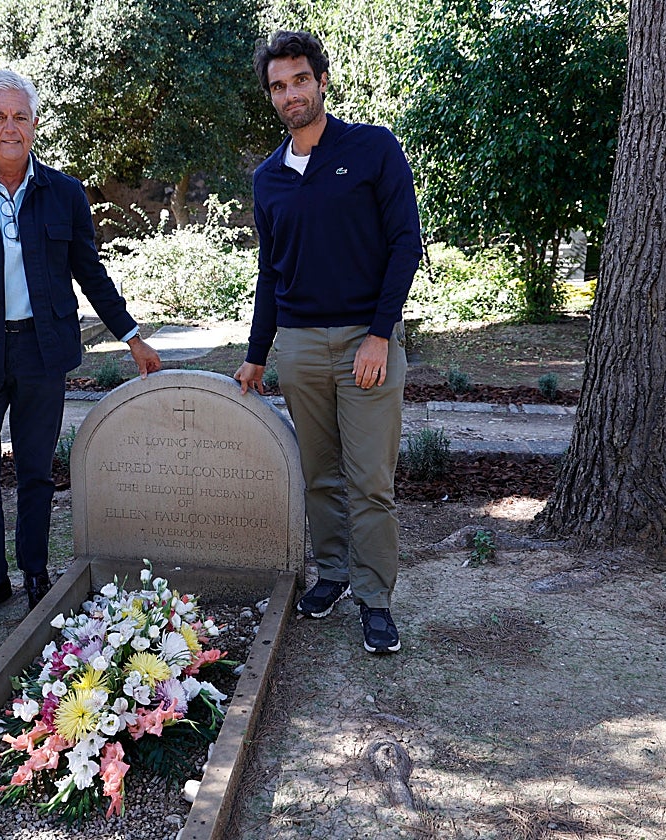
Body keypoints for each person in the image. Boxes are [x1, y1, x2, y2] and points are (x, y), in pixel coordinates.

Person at [0, 69, 161, 628]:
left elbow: (89, 272)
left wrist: (130, 336)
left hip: (42, 353)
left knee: (37, 473)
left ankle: (37, 574)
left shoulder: (63, 193)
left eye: (20, 116)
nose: (10, 127)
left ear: (35, 123)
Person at [234, 31, 422, 654]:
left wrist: (379, 335)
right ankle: (335, 574)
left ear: (320, 80)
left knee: (369, 479)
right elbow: (271, 272)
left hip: (366, 342)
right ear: (272, 97)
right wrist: (259, 354)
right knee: (318, 475)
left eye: (299, 80)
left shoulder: (371, 149)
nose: (291, 94)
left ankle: (375, 597)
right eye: (279, 86)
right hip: (300, 346)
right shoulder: (267, 178)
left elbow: (404, 244)